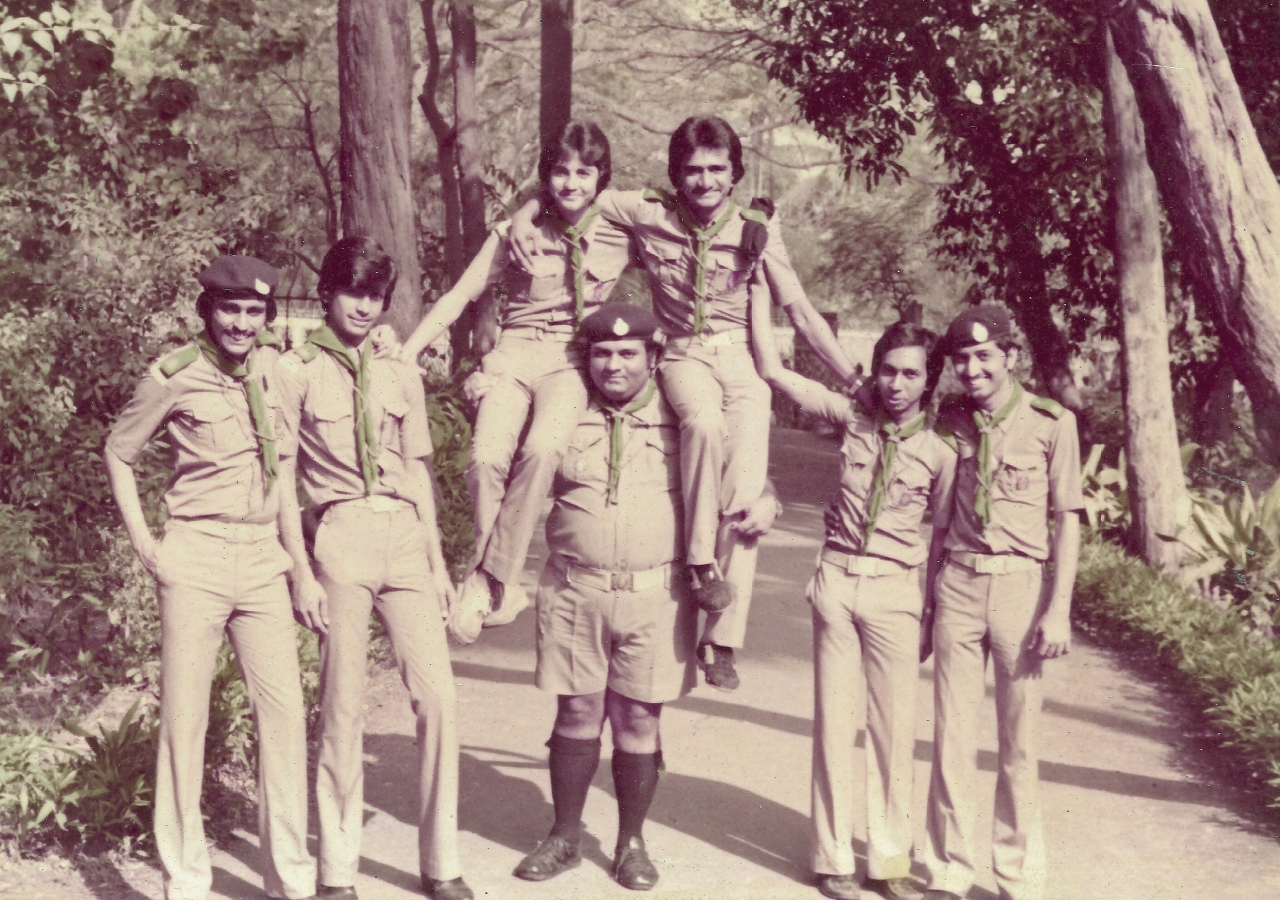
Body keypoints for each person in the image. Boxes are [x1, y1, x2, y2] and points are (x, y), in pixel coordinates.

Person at [513, 115, 856, 691]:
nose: (704, 182)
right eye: (693, 171)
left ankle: (721, 639)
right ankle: (700, 560)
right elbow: (572, 187)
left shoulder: (757, 232)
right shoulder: (647, 212)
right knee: (700, 420)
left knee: (746, 504)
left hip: (742, 366)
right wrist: (525, 210)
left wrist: (853, 377)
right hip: (684, 354)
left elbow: (800, 310)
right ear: (676, 175)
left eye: (717, 170)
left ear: (735, 174)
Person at [104, 256, 316, 900]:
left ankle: (292, 880)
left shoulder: (277, 372)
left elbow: (282, 480)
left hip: (262, 561)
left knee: (284, 717)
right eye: (230, 309)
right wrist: (148, 547)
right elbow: (118, 451)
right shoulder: (172, 376)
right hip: (195, 555)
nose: (242, 323)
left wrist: (300, 570)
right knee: (185, 720)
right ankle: (187, 879)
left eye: (254, 312)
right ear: (207, 311)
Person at [275, 237, 471, 900]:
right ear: (328, 292)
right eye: (352, 292)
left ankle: (441, 861)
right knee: (342, 708)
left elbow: (417, 469)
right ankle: (338, 871)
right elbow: (280, 479)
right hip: (340, 536)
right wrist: (300, 569)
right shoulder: (293, 369)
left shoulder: (399, 371)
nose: (363, 307)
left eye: (375, 296)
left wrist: (440, 563)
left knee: (438, 698)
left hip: (405, 538)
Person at [390, 120, 634, 643]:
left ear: (601, 178)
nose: (572, 184)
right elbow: (461, 295)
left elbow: (675, 212)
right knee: (485, 459)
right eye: (561, 173)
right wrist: (407, 354)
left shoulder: (620, 225)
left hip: (571, 357)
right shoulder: (516, 232)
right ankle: (501, 583)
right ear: (546, 177)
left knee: (544, 450)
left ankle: (486, 580)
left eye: (584, 174)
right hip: (514, 353)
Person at [755, 312, 956, 900]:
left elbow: (941, 535)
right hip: (839, 580)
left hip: (897, 588)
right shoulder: (853, 421)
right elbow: (776, 373)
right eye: (888, 372)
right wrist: (762, 277)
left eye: (911, 374)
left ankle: (890, 858)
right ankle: (833, 854)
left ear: (929, 382)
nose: (896, 384)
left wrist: (931, 611)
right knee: (835, 723)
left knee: (894, 730)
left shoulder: (941, 453)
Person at [509, 302, 701, 892]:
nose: (613, 365)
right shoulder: (563, 415)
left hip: (655, 593)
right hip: (575, 589)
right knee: (576, 711)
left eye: (627, 353)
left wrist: (765, 497)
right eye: (601, 354)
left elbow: (731, 476)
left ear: (653, 357)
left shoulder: (683, 417)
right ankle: (565, 835)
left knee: (639, 718)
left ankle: (630, 842)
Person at [921, 305, 1081, 900]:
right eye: (962, 359)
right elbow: (937, 519)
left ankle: (1016, 877)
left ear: (1011, 357)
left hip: (1020, 587)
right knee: (951, 736)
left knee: (1019, 741)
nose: (972, 368)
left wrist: (1058, 607)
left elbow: (1067, 520)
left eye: (984, 356)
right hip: (959, 583)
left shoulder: (1050, 421)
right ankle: (949, 869)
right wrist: (928, 602)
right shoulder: (951, 419)